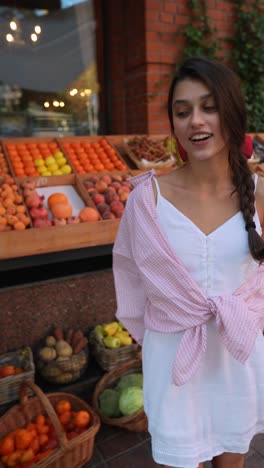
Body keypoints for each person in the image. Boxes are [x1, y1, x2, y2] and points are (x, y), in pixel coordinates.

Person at [112, 56, 264, 468]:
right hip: (175, 360)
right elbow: (130, 279)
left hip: (238, 360)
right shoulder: (148, 199)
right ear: (174, 124)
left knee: (233, 462)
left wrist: (249, 321)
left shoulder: (260, 194)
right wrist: (166, 331)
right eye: (182, 112)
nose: (195, 121)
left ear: (232, 113)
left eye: (208, 107)